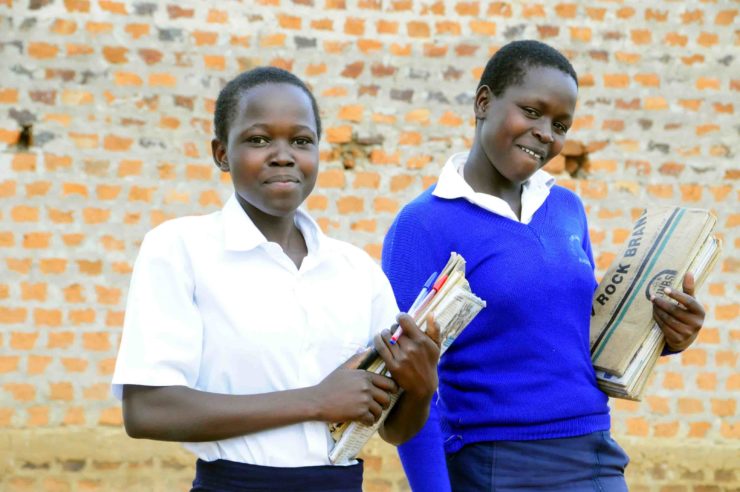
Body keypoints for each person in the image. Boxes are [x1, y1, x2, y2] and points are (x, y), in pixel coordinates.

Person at [381, 40, 706, 491]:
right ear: (483, 102)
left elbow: (573, 334)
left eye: (561, 124)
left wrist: (669, 336)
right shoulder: (423, 224)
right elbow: (408, 385)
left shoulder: (566, 209)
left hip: (594, 451)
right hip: (494, 463)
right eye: (531, 111)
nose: (545, 133)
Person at [111, 66, 441, 492]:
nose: (283, 155)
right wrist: (315, 401)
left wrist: (420, 385)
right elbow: (146, 411)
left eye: (301, 141)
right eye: (259, 139)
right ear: (221, 153)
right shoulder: (180, 249)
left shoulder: (357, 272)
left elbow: (392, 430)